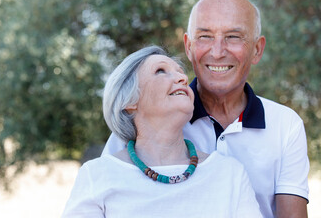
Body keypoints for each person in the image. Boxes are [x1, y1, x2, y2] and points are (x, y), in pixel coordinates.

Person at [102, 0, 310, 218]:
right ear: (189, 46)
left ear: (257, 50)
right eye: (205, 36)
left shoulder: (286, 125)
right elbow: (106, 192)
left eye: (233, 36)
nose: (218, 52)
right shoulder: (145, 120)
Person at [62, 46, 262, 217]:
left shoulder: (229, 174)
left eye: (181, 72)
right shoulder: (97, 175)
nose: (183, 78)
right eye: (160, 71)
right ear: (130, 101)